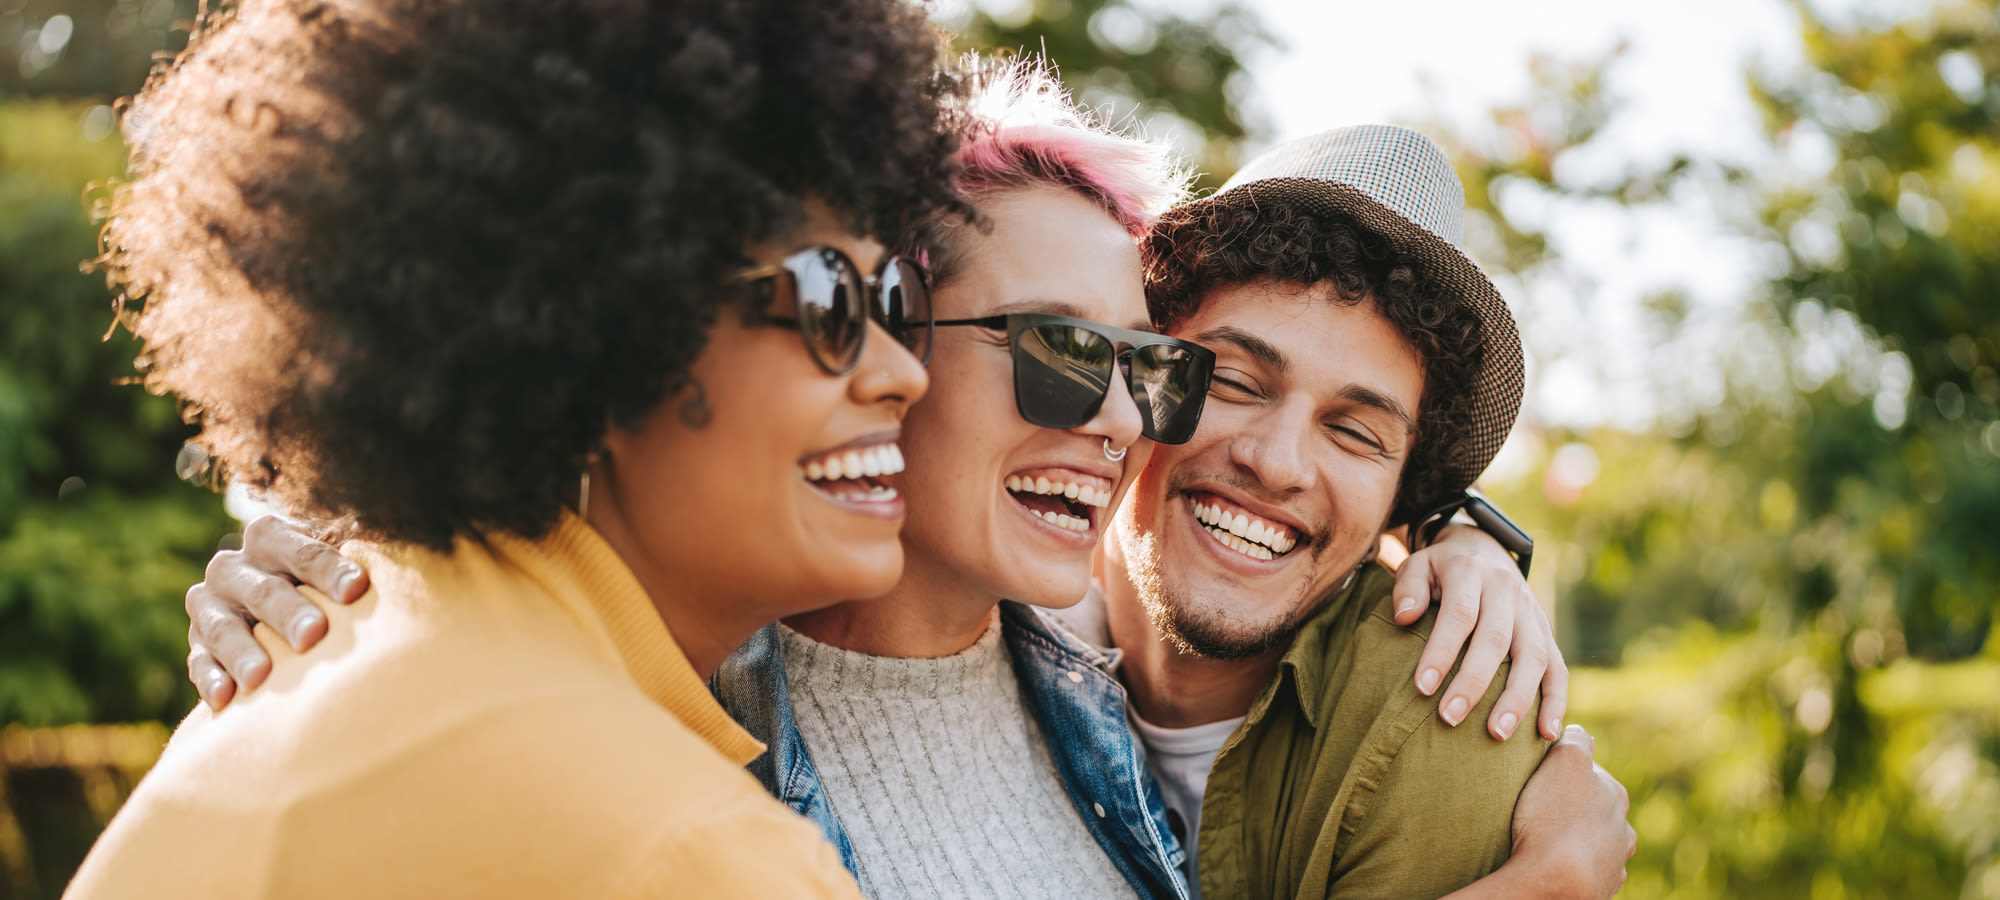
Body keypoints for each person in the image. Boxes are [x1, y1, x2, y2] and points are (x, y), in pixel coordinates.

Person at [176, 73, 1630, 899]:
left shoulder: (1377, 699)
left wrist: (1474, 550)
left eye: (1143, 371)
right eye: (1218, 379)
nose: (1127, 417)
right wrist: (337, 540)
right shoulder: (684, 706)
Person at [67, 0, 970, 895]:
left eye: (889, 297)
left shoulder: (310, 667)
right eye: (828, 301)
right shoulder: (686, 850)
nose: (903, 373)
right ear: (610, 331)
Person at [1079, 124, 1640, 898]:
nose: (1275, 462)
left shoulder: (1446, 711)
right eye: (1235, 381)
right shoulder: (990, 605)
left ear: (1402, 494)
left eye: (1352, 432)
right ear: (1145, 363)